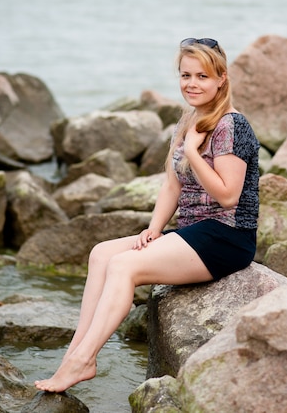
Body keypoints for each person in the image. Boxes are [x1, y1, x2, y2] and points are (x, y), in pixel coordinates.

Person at [35, 37, 260, 393]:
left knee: (125, 266)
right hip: (191, 232)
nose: (192, 83)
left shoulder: (232, 126)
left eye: (202, 76)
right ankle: (74, 354)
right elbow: (172, 187)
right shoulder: (187, 120)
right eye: (185, 75)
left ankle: (84, 361)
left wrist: (193, 152)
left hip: (227, 236)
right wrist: (153, 229)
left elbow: (228, 195)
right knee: (102, 254)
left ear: (222, 79)